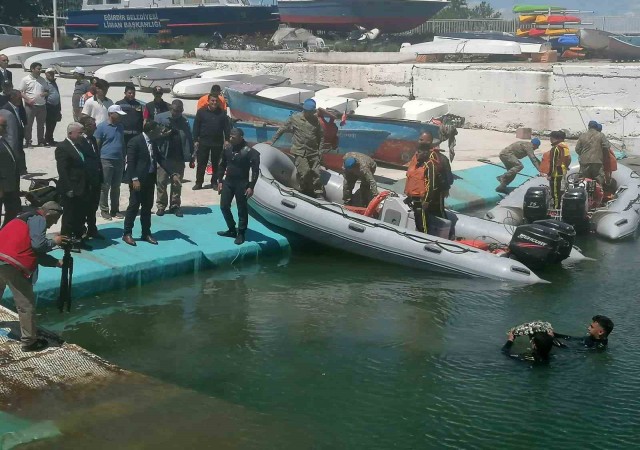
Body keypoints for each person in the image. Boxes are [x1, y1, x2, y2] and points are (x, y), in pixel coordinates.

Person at [0, 202, 68, 352]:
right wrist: (54, 242)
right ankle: (29, 342)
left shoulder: (24, 218)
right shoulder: (39, 219)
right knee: (26, 305)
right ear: (48, 214)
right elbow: (38, 245)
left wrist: (57, 262)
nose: (54, 224)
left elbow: (32, 250)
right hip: (12, 264)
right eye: (55, 220)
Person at [122, 121, 177, 246]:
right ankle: (127, 233)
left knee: (147, 207)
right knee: (134, 207)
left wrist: (172, 173)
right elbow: (130, 162)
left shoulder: (153, 142)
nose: (160, 132)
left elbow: (161, 158)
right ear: (151, 131)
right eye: (158, 130)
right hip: (138, 181)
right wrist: (134, 179)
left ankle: (146, 233)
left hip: (149, 180)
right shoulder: (135, 141)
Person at [267, 98, 324, 198]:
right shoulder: (295, 118)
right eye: (308, 112)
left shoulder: (316, 121)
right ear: (304, 110)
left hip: (313, 151)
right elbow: (283, 128)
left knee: (317, 173)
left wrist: (320, 150)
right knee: (305, 172)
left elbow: (321, 136)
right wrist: (272, 140)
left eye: (312, 112)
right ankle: (304, 189)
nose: (310, 114)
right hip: (300, 150)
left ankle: (318, 192)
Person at [216, 128, 259, 245]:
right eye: (230, 136)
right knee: (224, 206)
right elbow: (222, 164)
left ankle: (241, 232)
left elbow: (255, 171)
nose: (230, 139)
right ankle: (231, 229)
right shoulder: (227, 148)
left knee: (242, 208)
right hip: (228, 182)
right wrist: (220, 180)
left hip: (242, 183)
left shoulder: (250, 152)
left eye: (233, 137)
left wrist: (251, 186)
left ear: (241, 138)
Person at [55, 123, 93, 248]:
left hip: (82, 187)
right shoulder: (62, 147)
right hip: (71, 188)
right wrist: (68, 188)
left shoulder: (80, 146)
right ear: (70, 133)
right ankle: (66, 241)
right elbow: (63, 171)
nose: (82, 135)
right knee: (69, 216)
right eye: (79, 132)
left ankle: (78, 238)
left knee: (80, 215)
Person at [154, 100, 193, 217]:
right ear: (171, 108)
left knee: (177, 183)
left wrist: (191, 154)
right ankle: (161, 206)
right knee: (161, 182)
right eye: (175, 111)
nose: (176, 113)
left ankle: (175, 205)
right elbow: (154, 136)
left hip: (178, 157)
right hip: (164, 156)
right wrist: (163, 134)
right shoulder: (159, 118)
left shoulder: (184, 121)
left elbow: (189, 137)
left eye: (179, 111)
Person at [404, 133, 444, 234]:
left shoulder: (429, 164)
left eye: (422, 140)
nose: (418, 155)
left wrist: (426, 201)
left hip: (422, 199)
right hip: (413, 196)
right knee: (417, 220)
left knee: (422, 223)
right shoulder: (415, 160)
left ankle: (425, 237)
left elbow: (431, 183)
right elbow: (411, 177)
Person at [192, 94, 231, 190]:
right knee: (201, 163)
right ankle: (199, 182)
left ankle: (214, 182)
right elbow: (196, 127)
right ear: (208, 101)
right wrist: (195, 140)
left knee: (216, 164)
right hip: (204, 142)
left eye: (216, 101)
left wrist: (226, 140)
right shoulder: (201, 112)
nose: (214, 103)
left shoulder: (222, 113)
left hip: (217, 142)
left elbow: (227, 128)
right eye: (212, 101)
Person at [95, 104, 126, 220]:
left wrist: (124, 156)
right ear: (110, 114)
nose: (120, 117)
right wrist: (98, 161)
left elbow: (122, 142)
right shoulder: (101, 127)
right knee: (105, 186)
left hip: (119, 160)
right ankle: (104, 210)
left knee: (116, 186)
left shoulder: (120, 127)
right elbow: (97, 145)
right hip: (106, 160)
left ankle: (115, 210)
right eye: (117, 114)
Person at [77, 116, 104, 240]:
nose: (96, 127)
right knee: (83, 207)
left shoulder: (93, 139)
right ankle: (81, 230)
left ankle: (92, 229)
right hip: (85, 181)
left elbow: (97, 159)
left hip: (95, 180)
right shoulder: (79, 141)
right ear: (86, 127)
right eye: (93, 125)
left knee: (93, 206)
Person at [18, 62, 48, 148]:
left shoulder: (42, 80)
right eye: (38, 69)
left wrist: (44, 94)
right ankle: (28, 142)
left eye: (41, 69)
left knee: (41, 125)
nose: (40, 70)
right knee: (28, 125)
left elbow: (47, 91)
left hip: (42, 105)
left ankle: (41, 141)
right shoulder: (25, 79)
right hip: (30, 106)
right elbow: (20, 92)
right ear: (32, 69)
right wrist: (28, 100)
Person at [540, 131, 571, 209]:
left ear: (552, 138)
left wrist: (550, 174)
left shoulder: (555, 148)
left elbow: (553, 163)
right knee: (560, 190)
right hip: (562, 171)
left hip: (556, 173)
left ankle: (556, 207)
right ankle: (559, 205)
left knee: (555, 192)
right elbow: (568, 158)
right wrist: (566, 166)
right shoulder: (564, 147)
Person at [0, 116, 21, 227]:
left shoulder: (3, 140)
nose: (5, 128)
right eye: (3, 126)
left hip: (10, 186)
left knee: (13, 211)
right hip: (2, 187)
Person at [0, 89, 26, 175]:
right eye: (18, 98)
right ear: (12, 97)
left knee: (20, 152)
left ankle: (22, 169)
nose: (20, 100)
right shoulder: (6, 110)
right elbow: (10, 133)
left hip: (19, 135)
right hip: (13, 139)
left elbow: (22, 116)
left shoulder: (17, 106)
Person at [575, 120, 609, 186]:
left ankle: (585, 192)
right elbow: (606, 146)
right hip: (597, 161)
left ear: (588, 127)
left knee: (584, 179)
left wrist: (582, 154)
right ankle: (599, 191)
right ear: (596, 127)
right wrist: (603, 155)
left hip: (584, 161)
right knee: (598, 178)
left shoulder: (582, 136)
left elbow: (577, 149)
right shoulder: (601, 135)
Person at [43, 68, 62, 147]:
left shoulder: (54, 82)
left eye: (52, 73)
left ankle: (50, 138)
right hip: (49, 106)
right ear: (46, 74)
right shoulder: (44, 83)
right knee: (49, 123)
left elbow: (57, 94)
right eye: (49, 73)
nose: (51, 75)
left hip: (56, 106)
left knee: (53, 123)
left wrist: (59, 108)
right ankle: (47, 139)